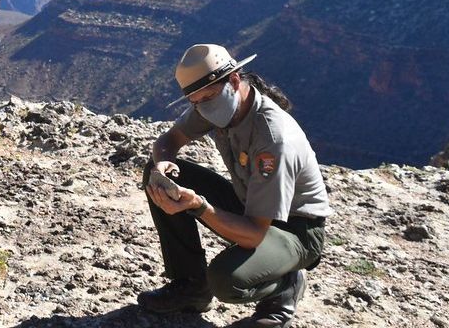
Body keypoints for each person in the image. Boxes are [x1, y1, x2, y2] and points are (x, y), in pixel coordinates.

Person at [137, 44, 331, 328]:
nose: (204, 107)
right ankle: (190, 287)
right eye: (195, 102)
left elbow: (254, 234)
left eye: (209, 97)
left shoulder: (273, 138)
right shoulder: (212, 105)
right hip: (250, 205)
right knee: (157, 177)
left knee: (225, 279)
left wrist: (199, 207)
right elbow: (169, 141)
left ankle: (285, 284)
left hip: (295, 230)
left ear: (235, 80)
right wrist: (163, 165)